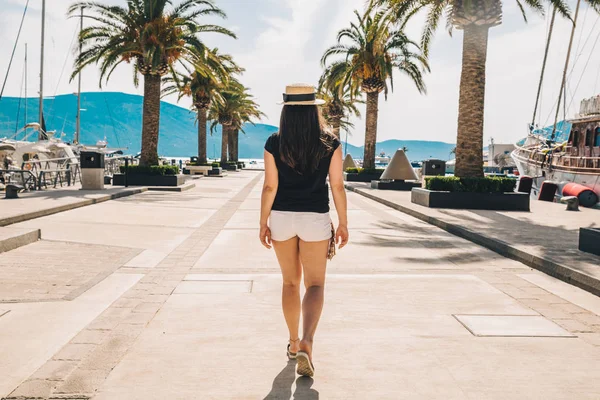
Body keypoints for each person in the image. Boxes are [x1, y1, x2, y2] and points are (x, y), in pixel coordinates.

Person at [260, 83, 349, 378]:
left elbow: (270, 185)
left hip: (282, 218)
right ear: (315, 110)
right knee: (315, 285)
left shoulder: (274, 142)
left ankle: (293, 342)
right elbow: (337, 185)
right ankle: (308, 342)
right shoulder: (330, 141)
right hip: (315, 218)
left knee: (289, 283)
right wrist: (344, 222)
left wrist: (263, 222)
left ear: (286, 111)